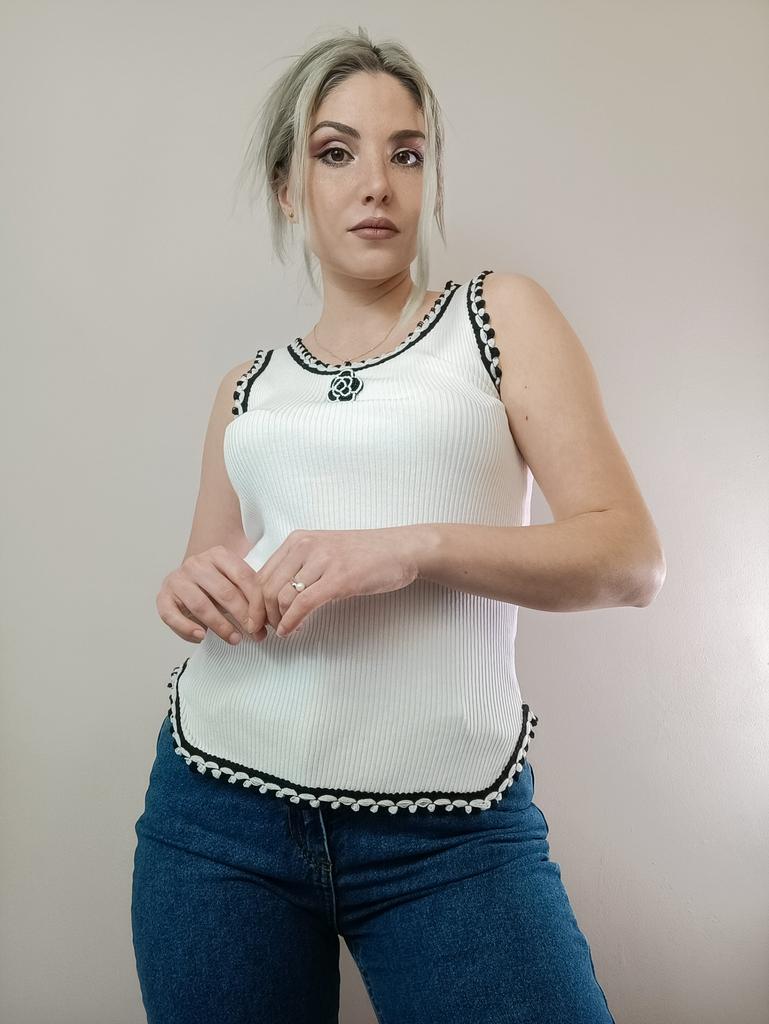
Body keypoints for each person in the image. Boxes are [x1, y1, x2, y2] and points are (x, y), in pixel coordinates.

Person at [131, 26, 665, 1024]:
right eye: (336, 153)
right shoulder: (246, 388)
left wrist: (411, 546)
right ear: (289, 189)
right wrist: (190, 586)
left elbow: (628, 557)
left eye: (405, 153)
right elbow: (211, 574)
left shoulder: (494, 317)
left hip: (450, 837)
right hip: (217, 819)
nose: (376, 183)